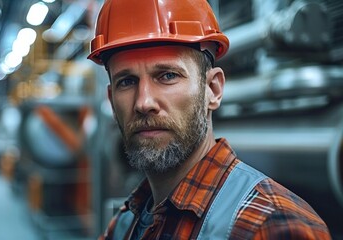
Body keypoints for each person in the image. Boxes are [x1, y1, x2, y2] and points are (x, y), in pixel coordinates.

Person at [87, 0, 332, 239]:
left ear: (212, 89)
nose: (144, 102)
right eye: (127, 81)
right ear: (111, 98)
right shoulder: (124, 224)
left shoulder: (272, 226)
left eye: (168, 75)